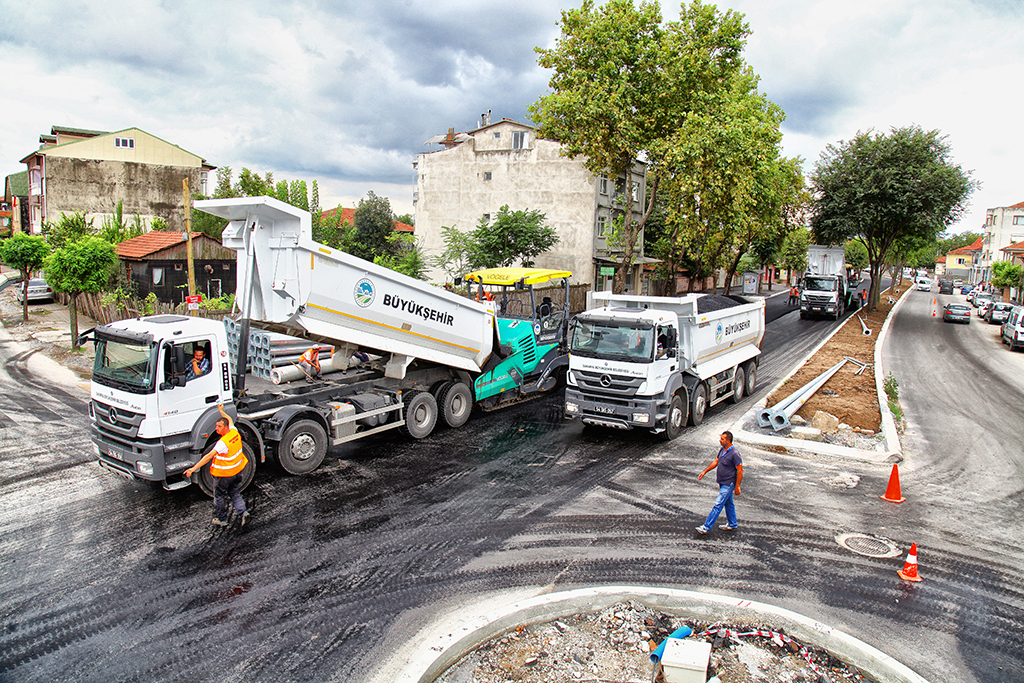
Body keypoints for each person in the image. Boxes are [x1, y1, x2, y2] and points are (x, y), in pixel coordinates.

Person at [184, 404, 249, 526]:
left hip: (224, 476)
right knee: (234, 493)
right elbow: (229, 419)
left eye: (219, 426)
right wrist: (221, 411)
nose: (216, 429)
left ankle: (222, 519)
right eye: (216, 426)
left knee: (219, 496)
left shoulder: (222, 443)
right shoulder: (234, 433)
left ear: (225, 428)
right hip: (237, 472)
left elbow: (208, 456)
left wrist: (193, 469)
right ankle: (243, 513)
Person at [695, 431, 743, 534]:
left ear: (728, 441)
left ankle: (706, 527)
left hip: (728, 483)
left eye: (722, 439)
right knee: (728, 503)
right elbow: (716, 461)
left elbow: (740, 470)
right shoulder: (722, 450)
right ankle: (732, 524)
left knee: (718, 504)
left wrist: (737, 486)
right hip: (722, 482)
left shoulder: (734, 454)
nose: (720, 441)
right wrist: (705, 471)